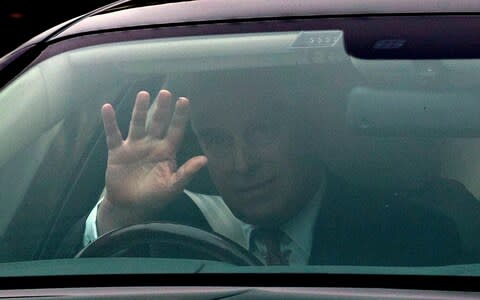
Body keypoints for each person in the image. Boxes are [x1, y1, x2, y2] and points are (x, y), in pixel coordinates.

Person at [60, 68, 479, 265]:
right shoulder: (157, 231)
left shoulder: (413, 235)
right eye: (219, 140)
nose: (242, 164)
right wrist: (119, 215)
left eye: (263, 132)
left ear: (306, 130)